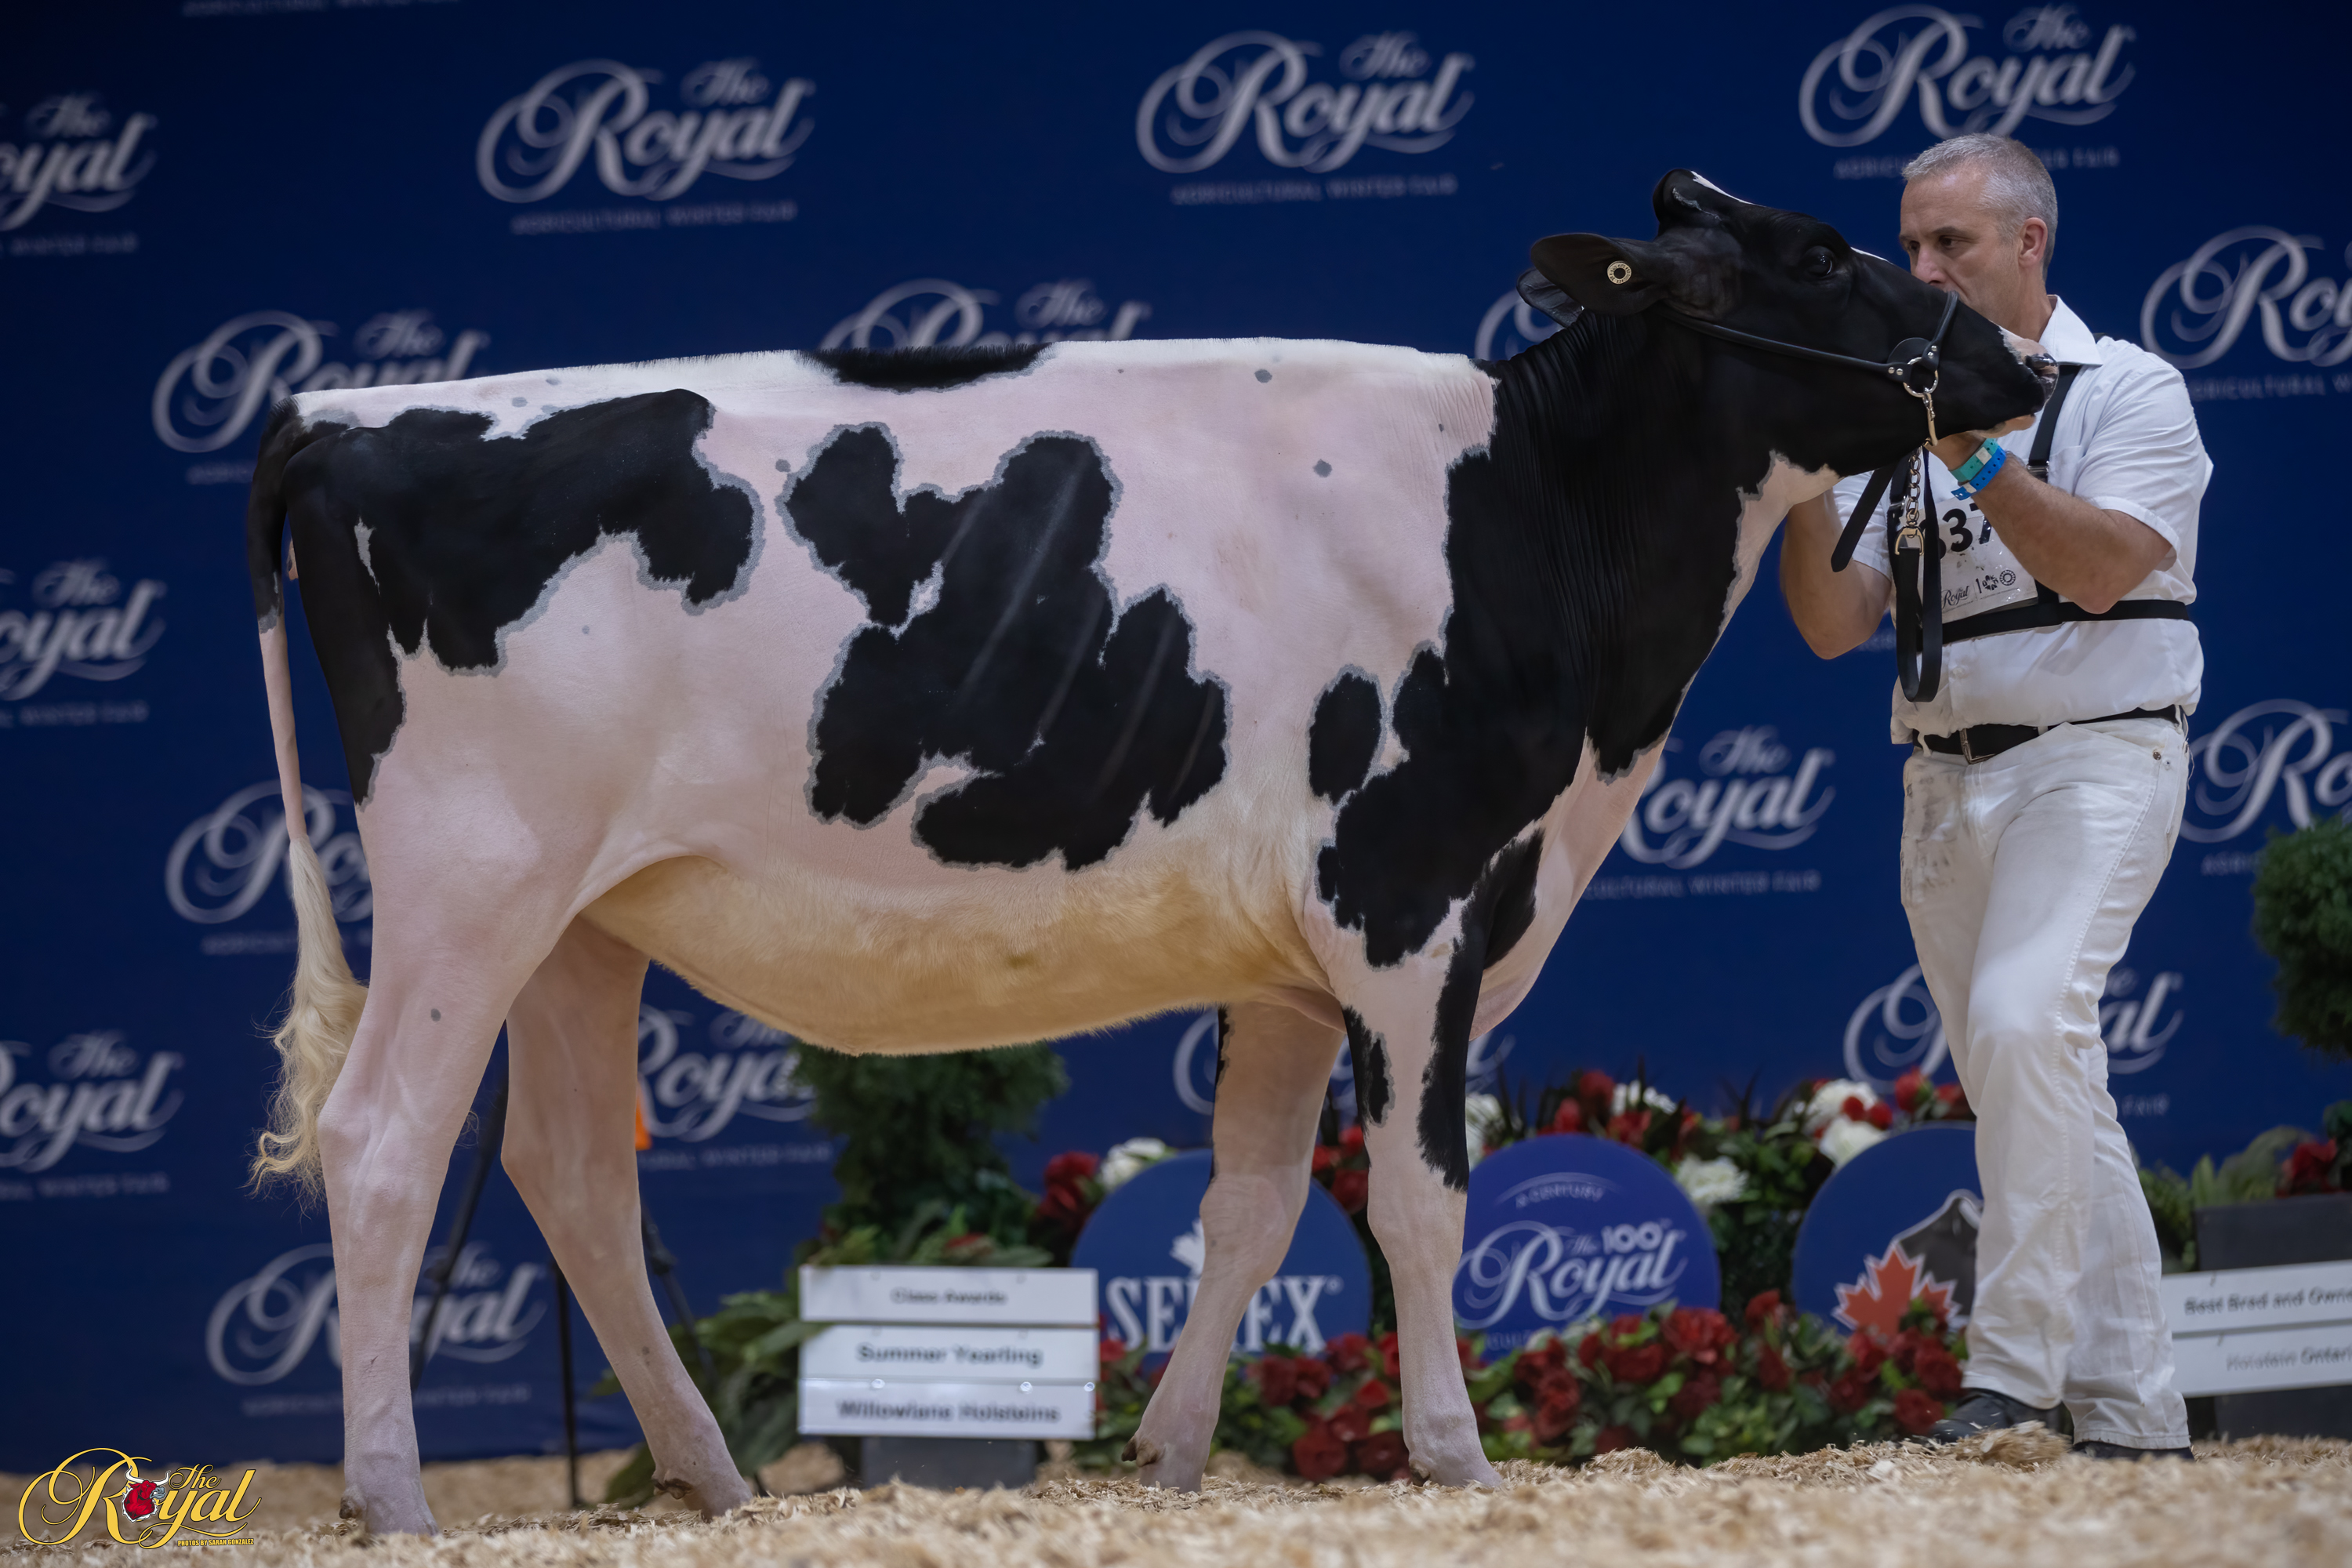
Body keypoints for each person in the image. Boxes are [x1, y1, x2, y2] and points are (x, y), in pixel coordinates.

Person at [1780, 134, 2205, 1459]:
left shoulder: (2127, 387)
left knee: (2028, 1029)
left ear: (2030, 243)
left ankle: (2013, 1378)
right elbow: (1834, 623)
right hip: (1941, 782)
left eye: (1949, 243)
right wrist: (1805, 468)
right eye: (1909, 243)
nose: (1921, 269)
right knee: (2042, 1084)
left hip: (2093, 759)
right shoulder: (1891, 418)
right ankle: (2137, 1419)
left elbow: (2101, 571)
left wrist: (1965, 447)